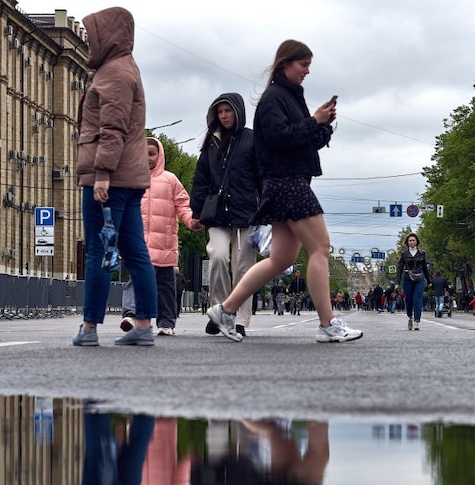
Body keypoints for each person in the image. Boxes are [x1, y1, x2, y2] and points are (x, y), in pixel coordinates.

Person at [205, 39, 362, 344]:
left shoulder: (289, 96)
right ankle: (328, 323)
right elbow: (279, 139)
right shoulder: (273, 99)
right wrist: (313, 121)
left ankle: (225, 310)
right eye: (303, 65)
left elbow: (301, 140)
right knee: (320, 248)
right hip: (287, 181)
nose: (307, 71)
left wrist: (323, 126)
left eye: (309, 66)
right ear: (285, 64)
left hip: (285, 182)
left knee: (279, 259)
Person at [72, 7, 159, 347]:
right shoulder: (122, 69)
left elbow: (112, 130)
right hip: (128, 178)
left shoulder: (115, 74)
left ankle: (89, 327)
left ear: (108, 36)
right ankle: (143, 326)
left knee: (97, 252)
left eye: (93, 35)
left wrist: (103, 175)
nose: (90, 42)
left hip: (109, 180)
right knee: (135, 251)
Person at [191, 93, 260, 338]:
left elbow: (262, 177)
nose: (223, 116)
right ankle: (219, 311)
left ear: (238, 112)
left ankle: (240, 318)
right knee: (217, 257)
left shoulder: (252, 139)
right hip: (217, 212)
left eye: (227, 111)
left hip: (246, 213)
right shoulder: (212, 141)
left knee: (244, 269)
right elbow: (201, 179)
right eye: (219, 112)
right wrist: (195, 212)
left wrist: (268, 211)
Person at [119, 137, 201, 337]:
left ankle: (166, 323)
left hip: (164, 245)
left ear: (160, 155)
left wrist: (191, 221)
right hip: (138, 243)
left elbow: (183, 205)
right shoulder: (132, 180)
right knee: (135, 279)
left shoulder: (170, 180)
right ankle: (130, 314)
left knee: (165, 287)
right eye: (144, 153)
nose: (148, 158)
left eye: (152, 154)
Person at [396, 232, 431, 331]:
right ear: (407, 242)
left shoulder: (422, 253)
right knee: (409, 300)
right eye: (410, 240)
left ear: (417, 242)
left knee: (418, 299)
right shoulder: (404, 254)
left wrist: (429, 281)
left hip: (420, 278)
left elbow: (425, 268)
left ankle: (417, 321)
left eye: (413, 240)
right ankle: (410, 317)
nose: (412, 242)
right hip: (408, 278)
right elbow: (400, 268)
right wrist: (397, 282)